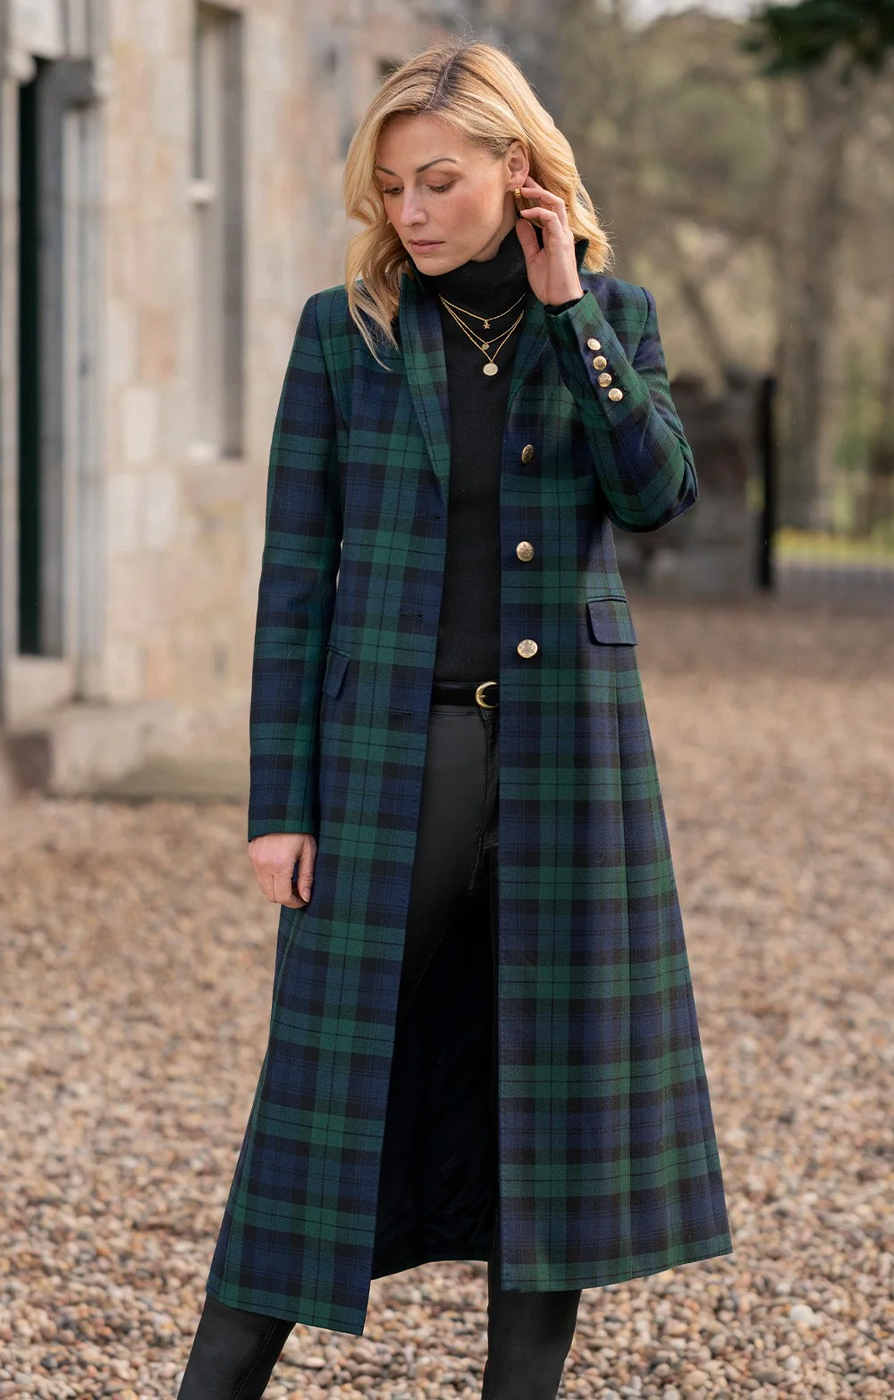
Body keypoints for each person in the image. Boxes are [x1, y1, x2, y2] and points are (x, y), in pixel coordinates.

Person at [177, 35, 733, 1400]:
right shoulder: (346, 332)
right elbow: (295, 580)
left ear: (517, 169)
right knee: (316, 1093)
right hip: (396, 755)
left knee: (549, 1097)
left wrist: (568, 310)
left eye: (439, 181)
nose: (412, 212)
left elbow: (657, 495)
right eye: (392, 188)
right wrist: (280, 806)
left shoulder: (609, 315)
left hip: (569, 763)